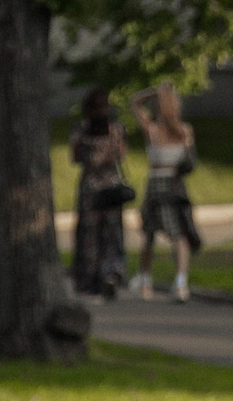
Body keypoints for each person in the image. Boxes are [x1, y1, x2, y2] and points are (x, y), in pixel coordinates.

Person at [134, 83, 200, 303]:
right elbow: (189, 160)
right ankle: (180, 282)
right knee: (180, 235)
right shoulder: (185, 131)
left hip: (155, 185)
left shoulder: (152, 131)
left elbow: (134, 103)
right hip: (175, 185)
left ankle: (145, 281)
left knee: (149, 233)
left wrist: (153, 91)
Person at [71, 84, 136, 299]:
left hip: (90, 186)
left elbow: (75, 157)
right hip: (111, 186)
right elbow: (121, 154)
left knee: (89, 234)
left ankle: (89, 277)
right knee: (112, 233)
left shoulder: (81, 129)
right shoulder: (115, 129)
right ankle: (110, 272)